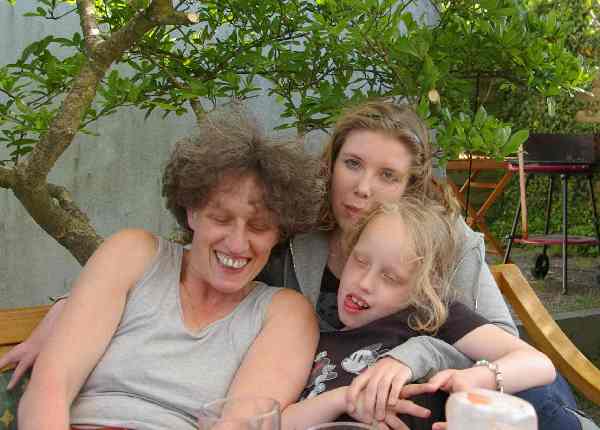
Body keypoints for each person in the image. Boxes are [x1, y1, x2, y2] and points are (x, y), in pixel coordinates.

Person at [3, 101, 590, 429]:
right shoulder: (300, 231)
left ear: (411, 188)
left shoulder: (444, 243)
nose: (364, 188)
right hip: (351, 397)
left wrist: (415, 357)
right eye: (353, 164)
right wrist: (69, 311)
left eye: (387, 175)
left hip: (460, 379)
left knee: (533, 407)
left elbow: (504, 348)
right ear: (331, 164)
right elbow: (201, 250)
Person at [17, 110, 323, 430]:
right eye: (220, 219)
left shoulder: (285, 313)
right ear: (191, 212)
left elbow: (239, 424)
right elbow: (50, 386)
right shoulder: (133, 254)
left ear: (279, 233)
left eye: (259, 227)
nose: (236, 244)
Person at [282, 199, 556, 430]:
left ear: (422, 290)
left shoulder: (427, 319)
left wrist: (477, 378)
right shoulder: (313, 339)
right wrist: (344, 399)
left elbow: (537, 363)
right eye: (360, 261)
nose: (364, 282)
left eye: (390, 277)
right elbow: (278, 421)